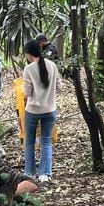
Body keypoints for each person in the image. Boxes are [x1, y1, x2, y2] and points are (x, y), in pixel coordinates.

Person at [22, 40, 61, 182]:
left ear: (28, 53)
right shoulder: (52, 66)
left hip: (32, 110)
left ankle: (30, 172)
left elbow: (27, 92)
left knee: (30, 141)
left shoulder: (29, 69)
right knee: (46, 141)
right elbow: (59, 87)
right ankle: (45, 174)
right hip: (50, 109)